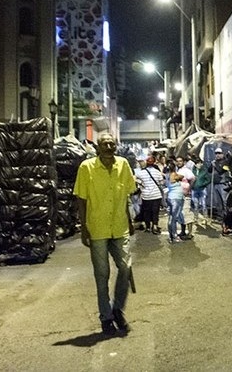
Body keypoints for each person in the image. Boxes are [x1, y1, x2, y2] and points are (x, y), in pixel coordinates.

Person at [74, 133, 136, 336]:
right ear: (98, 147)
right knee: (102, 276)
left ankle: (117, 308)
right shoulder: (87, 167)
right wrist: (84, 227)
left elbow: (126, 195)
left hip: (119, 225)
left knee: (125, 267)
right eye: (104, 143)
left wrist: (130, 220)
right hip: (98, 228)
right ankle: (106, 317)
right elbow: (81, 199)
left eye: (112, 143)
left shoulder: (123, 165)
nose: (109, 146)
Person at [135, 156, 165, 234]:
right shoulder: (157, 172)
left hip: (146, 196)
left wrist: (141, 183)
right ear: (154, 163)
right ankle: (155, 226)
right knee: (155, 211)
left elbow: (134, 178)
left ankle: (148, 227)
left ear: (147, 163)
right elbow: (161, 183)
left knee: (146, 212)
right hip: (156, 195)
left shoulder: (141, 173)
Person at [166, 172, 186, 243]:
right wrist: (176, 176)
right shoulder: (171, 175)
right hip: (175, 199)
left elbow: (182, 176)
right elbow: (179, 177)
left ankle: (171, 236)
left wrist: (177, 176)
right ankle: (174, 236)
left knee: (171, 218)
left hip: (173, 198)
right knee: (173, 218)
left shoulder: (169, 175)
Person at [191, 158, 210, 224]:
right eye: (197, 163)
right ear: (195, 165)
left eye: (200, 163)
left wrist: (203, 184)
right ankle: (196, 218)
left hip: (202, 189)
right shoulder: (192, 171)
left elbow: (208, 180)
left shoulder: (204, 171)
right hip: (194, 189)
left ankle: (205, 218)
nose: (199, 165)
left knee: (203, 204)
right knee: (196, 205)